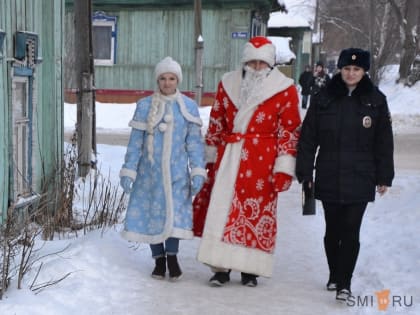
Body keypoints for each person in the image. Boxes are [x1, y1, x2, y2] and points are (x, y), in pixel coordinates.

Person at [192, 36, 301, 287]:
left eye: (261, 63)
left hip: (262, 159)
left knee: (256, 212)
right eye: (252, 62)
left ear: (270, 64)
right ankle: (220, 267)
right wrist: (210, 156)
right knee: (221, 210)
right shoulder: (227, 83)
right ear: (244, 61)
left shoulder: (284, 89)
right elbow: (217, 118)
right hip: (229, 155)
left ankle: (250, 269)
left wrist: (284, 166)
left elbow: (290, 129)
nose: (256, 67)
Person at [295, 48, 394, 302]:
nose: (351, 74)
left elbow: (384, 142)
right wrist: (305, 173)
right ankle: (334, 273)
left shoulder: (376, 100)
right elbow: (308, 138)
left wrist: (384, 176)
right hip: (329, 172)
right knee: (333, 231)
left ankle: (344, 282)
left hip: (361, 175)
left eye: (357, 69)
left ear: (364, 71)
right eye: (347, 69)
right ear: (340, 69)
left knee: (351, 230)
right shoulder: (323, 98)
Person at [119, 56, 207, 281]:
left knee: (175, 216)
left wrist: (197, 169)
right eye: (163, 78)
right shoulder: (146, 106)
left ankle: (173, 257)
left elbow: (194, 143)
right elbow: (135, 143)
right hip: (151, 175)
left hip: (177, 174)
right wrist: (129, 170)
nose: (167, 83)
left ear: (178, 80)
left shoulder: (187, 107)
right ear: (157, 81)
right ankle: (158, 260)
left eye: (171, 78)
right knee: (153, 216)